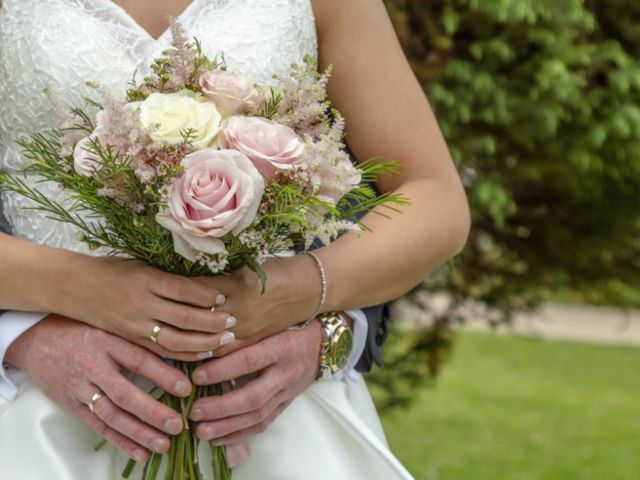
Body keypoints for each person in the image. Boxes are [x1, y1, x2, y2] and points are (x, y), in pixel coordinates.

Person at [0, 0, 470, 479]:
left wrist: (302, 293)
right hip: (37, 418)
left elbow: (434, 198)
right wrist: (31, 327)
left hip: (274, 420)